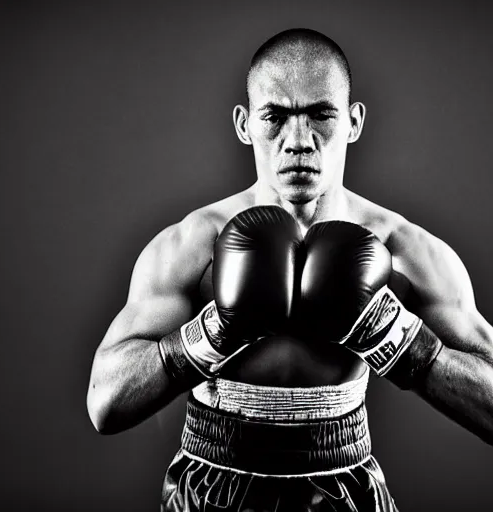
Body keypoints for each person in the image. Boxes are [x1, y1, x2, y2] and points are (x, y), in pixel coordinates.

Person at [86, 28, 493, 511]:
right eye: (275, 116)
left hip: (347, 487)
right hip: (211, 487)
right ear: (244, 124)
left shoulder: (402, 249)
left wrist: (396, 336)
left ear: (353, 121)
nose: (298, 140)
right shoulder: (193, 246)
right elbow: (104, 405)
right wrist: (216, 330)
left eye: (321, 114)